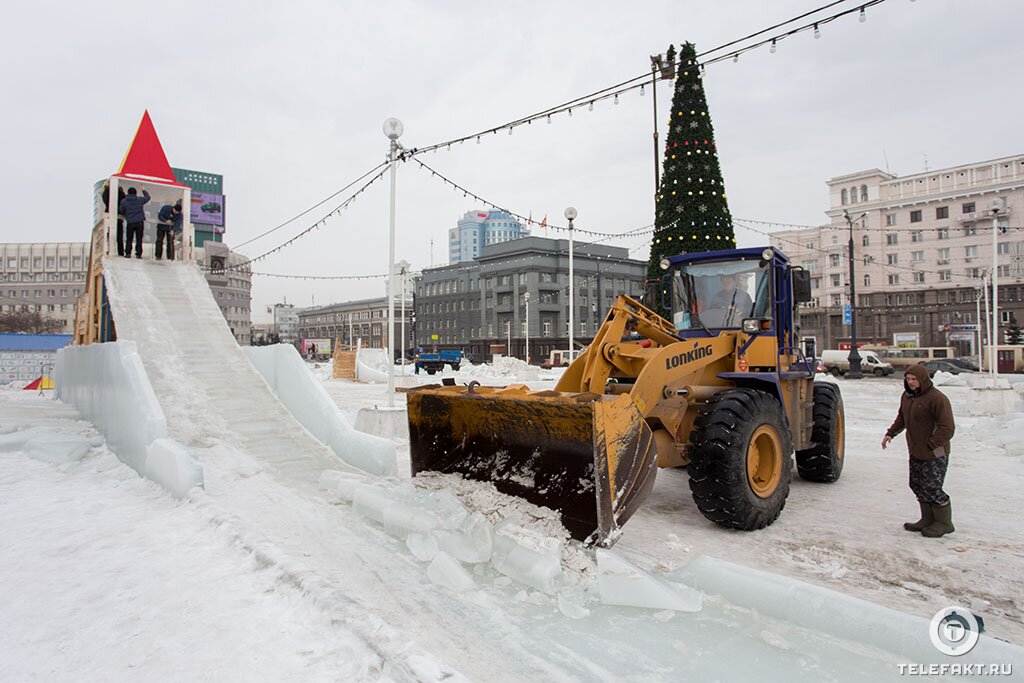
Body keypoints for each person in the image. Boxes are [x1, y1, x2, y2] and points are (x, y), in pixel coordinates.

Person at [881, 364, 956, 537]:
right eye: (908, 379)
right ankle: (927, 519)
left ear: (923, 379)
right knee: (916, 484)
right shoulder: (907, 397)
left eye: (914, 379)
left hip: (935, 452)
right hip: (915, 450)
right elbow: (902, 418)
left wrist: (932, 443)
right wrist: (890, 433)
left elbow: (947, 428)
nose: (911, 383)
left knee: (932, 486)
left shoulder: (937, 399)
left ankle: (944, 523)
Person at [118, 187, 150, 259]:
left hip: (130, 222)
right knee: (139, 239)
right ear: (135, 193)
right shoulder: (139, 200)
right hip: (139, 222)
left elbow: (121, 211)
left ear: (128, 193)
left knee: (129, 238)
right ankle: (138, 254)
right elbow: (147, 197)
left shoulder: (124, 201)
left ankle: (128, 253)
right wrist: (143, 190)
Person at [101, 183, 127, 256]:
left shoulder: (107, 193)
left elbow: (105, 199)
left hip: (109, 216)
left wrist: (106, 189)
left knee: (110, 235)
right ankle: (121, 252)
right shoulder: (121, 194)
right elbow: (124, 201)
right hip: (118, 216)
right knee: (119, 237)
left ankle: (109, 250)